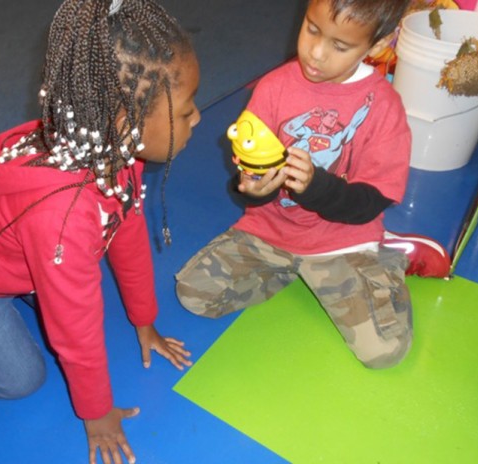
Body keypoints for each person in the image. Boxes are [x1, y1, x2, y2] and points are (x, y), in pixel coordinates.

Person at [0, 0, 200, 463]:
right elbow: (74, 327)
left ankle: (20, 275)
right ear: (127, 123)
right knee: (21, 383)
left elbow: (127, 231)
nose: (197, 117)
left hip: (13, 247)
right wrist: (96, 412)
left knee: (68, 277)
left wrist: (145, 321)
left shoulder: (116, 151)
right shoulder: (65, 218)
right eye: (185, 111)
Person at [176, 0, 417, 370]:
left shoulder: (384, 106)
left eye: (340, 46)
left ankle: (380, 265)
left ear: (376, 45)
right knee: (193, 294)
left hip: (343, 241)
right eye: (312, 29)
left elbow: (370, 202)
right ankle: (291, 269)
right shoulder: (273, 87)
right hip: (270, 232)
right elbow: (251, 175)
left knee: (384, 351)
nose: (316, 53)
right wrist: (254, 189)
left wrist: (315, 186)